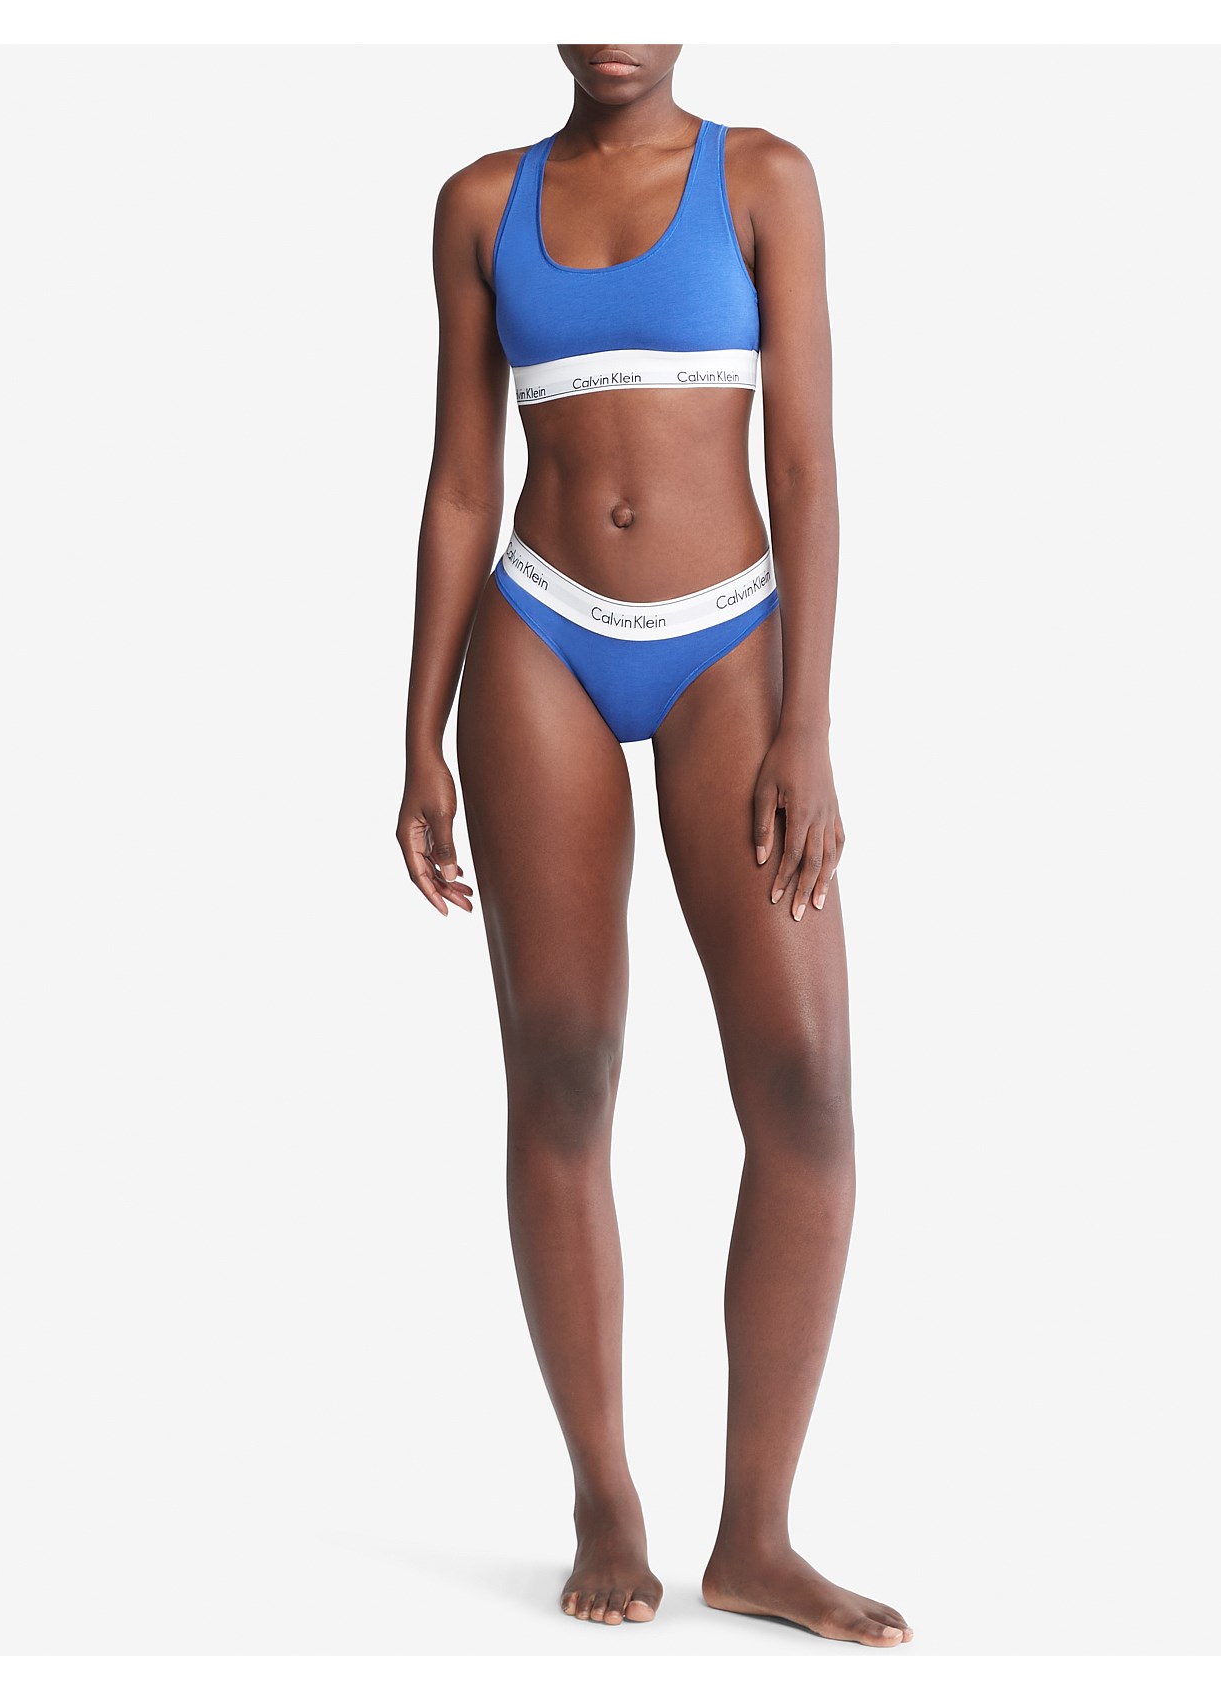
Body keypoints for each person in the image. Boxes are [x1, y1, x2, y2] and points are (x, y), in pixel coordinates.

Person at [396, 43, 912, 1649]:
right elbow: (462, 481)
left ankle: (757, 1536)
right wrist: (416, 731)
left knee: (806, 1090)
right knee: (563, 1072)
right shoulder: (480, 203)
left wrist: (807, 720)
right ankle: (604, 1497)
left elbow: (808, 464)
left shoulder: (763, 180)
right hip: (537, 637)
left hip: (729, 647)